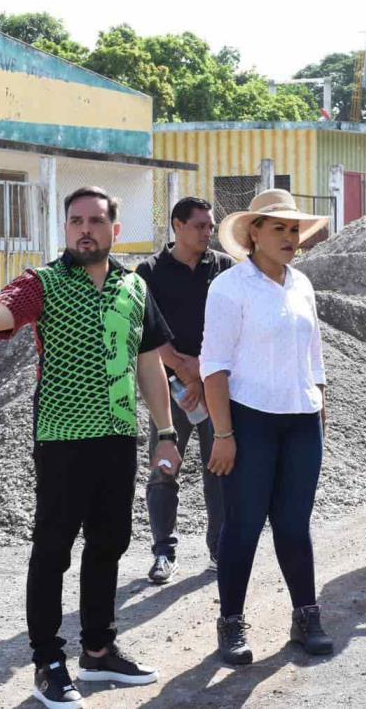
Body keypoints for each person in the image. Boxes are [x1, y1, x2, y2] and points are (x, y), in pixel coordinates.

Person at [0, 186, 181, 709]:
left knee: (109, 543)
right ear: (65, 229)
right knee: (53, 550)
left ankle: (99, 650)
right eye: (74, 221)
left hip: (117, 439)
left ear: (114, 230)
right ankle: (48, 661)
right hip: (62, 439)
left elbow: (149, 361)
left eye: (94, 220)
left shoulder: (134, 287)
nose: (84, 229)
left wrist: (167, 431)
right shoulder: (42, 283)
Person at [201, 188, 333, 665]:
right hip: (250, 420)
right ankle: (231, 625)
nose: (289, 237)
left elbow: (314, 355)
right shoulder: (230, 288)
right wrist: (223, 432)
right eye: (278, 227)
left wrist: (321, 405)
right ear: (253, 233)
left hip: (301, 420)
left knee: (295, 525)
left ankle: (306, 617)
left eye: (294, 229)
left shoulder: (302, 285)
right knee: (243, 526)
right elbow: (213, 366)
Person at [135, 196, 234, 584]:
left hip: (216, 385)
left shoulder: (224, 268)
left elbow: (233, 327)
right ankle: (164, 552)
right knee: (164, 469)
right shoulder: (149, 272)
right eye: (200, 226)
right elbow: (145, 329)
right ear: (177, 225)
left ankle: (219, 550)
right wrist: (183, 370)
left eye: (211, 226)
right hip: (168, 388)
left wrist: (203, 374)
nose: (208, 233)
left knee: (220, 470)